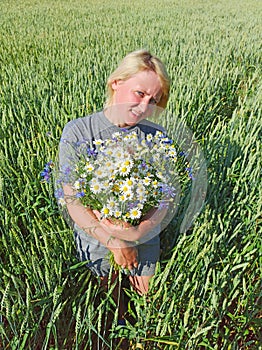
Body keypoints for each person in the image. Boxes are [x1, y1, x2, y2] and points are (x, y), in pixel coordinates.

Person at [58, 49, 171, 325]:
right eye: (139, 93)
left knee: (147, 305)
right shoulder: (80, 131)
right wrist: (114, 240)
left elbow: (166, 200)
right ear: (116, 83)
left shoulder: (156, 137)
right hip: (97, 235)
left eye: (153, 100)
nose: (145, 107)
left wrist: (135, 234)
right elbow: (73, 201)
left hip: (142, 233)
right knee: (108, 306)